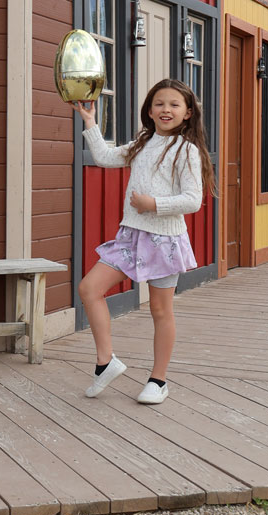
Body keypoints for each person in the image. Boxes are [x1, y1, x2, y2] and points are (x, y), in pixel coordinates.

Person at [74, 78, 216, 405]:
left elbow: (193, 200)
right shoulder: (142, 143)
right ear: (149, 111)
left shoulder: (186, 150)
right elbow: (104, 157)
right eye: (159, 104)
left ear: (187, 113)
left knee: (160, 310)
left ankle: (158, 380)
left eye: (174, 104)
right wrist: (90, 121)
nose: (166, 109)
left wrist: (154, 204)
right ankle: (105, 362)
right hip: (131, 236)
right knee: (89, 289)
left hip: (165, 241)